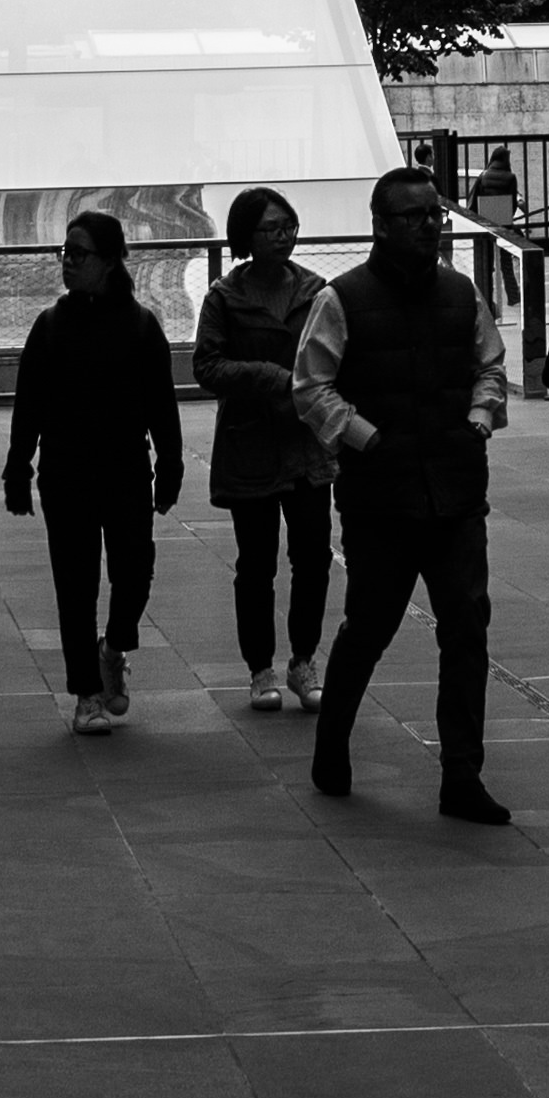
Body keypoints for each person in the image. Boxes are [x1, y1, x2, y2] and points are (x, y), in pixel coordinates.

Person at [288, 164, 511, 822]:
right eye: (414, 216)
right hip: (380, 498)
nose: (429, 225)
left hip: (455, 491)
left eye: (434, 213)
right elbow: (310, 386)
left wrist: (480, 416)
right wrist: (364, 437)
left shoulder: (460, 292)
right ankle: (332, 744)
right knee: (369, 627)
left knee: (466, 631)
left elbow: (490, 363)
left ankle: (462, 775)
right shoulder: (341, 299)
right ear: (381, 225)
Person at [1, 209, 185, 731]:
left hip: (126, 468)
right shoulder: (50, 325)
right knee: (75, 583)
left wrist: (170, 465)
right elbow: (29, 405)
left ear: (108, 261)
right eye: (65, 252)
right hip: (66, 472)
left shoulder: (141, 325)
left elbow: (162, 405)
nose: (67, 262)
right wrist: (18, 469)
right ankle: (86, 693)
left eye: (78, 254)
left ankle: (114, 646)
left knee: (135, 571)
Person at [194, 185, 330, 711]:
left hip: (305, 445)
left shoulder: (316, 292)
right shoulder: (225, 297)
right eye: (271, 229)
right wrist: (270, 377)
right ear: (245, 237)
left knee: (313, 556)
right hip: (249, 445)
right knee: (256, 563)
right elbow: (207, 365)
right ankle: (260, 668)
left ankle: (304, 660)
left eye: (288, 227)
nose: (282, 237)